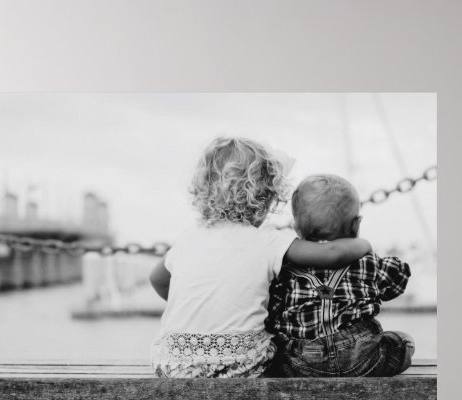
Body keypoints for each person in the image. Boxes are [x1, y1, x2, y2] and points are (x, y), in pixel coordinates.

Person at [149, 138, 371, 378]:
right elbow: (332, 254)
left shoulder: (189, 238)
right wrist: (363, 243)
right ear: (265, 199)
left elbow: (157, 280)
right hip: (239, 366)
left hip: (171, 364)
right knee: (285, 343)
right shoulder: (267, 240)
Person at [265, 174, 414, 377]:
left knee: (278, 355)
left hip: (302, 364)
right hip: (362, 358)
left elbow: (272, 313)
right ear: (356, 225)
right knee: (402, 342)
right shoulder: (367, 263)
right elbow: (398, 281)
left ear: (296, 228)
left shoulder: (284, 270)